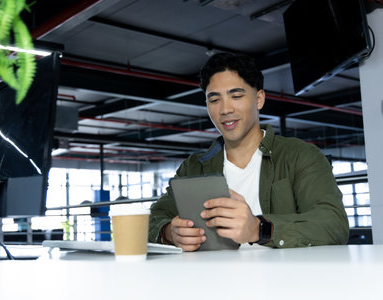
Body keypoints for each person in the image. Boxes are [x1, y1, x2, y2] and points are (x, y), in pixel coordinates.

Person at [148, 52, 349, 251]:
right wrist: (168, 233)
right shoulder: (193, 167)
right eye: (214, 99)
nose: (225, 109)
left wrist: (260, 229)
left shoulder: (300, 156)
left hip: (286, 279)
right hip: (213, 279)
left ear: (259, 99)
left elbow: (333, 224)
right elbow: (153, 218)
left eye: (236, 96)